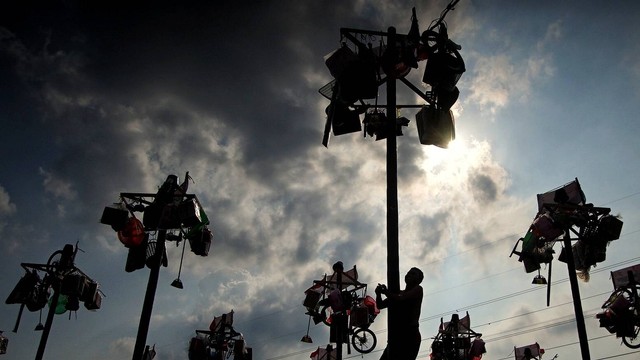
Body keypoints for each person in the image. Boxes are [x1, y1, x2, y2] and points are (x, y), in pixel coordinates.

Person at [376, 267, 424, 360]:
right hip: (396, 337)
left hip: (410, 338)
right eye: (409, 273)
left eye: (413, 274)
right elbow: (380, 305)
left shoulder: (418, 290)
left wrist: (385, 292)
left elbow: (400, 299)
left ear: (418, 280)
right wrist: (378, 294)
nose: (409, 275)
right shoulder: (397, 294)